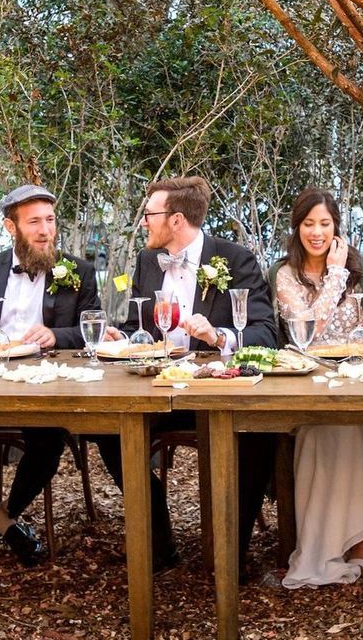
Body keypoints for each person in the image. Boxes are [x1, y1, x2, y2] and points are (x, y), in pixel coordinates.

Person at [97, 175, 277, 574]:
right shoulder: (147, 261)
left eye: (150, 214)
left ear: (176, 220)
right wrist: (122, 337)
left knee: (258, 434)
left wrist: (218, 336)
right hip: (157, 391)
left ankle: (232, 554)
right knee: (107, 428)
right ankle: (159, 541)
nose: (144, 221)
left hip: (215, 390)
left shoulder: (235, 259)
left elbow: (266, 332)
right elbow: (136, 325)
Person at [0, 183, 102, 562]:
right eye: (34, 222)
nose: (45, 230)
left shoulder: (78, 271)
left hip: (45, 387)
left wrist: (56, 334)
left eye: (50, 220)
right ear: (12, 228)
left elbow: (93, 327)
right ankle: (6, 527)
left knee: (47, 442)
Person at [270, 188, 363, 588]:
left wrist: (346, 271)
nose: (317, 232)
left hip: (358, 380)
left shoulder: (360, 270)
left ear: (336, 227)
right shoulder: (286, 274)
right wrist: (336, 273)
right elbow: (307, 330)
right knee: (333, 429)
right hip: (308, 386)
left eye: (325, 224)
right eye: (309, 224)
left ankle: (361, 539)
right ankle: (325, 543)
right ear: (297, 227)